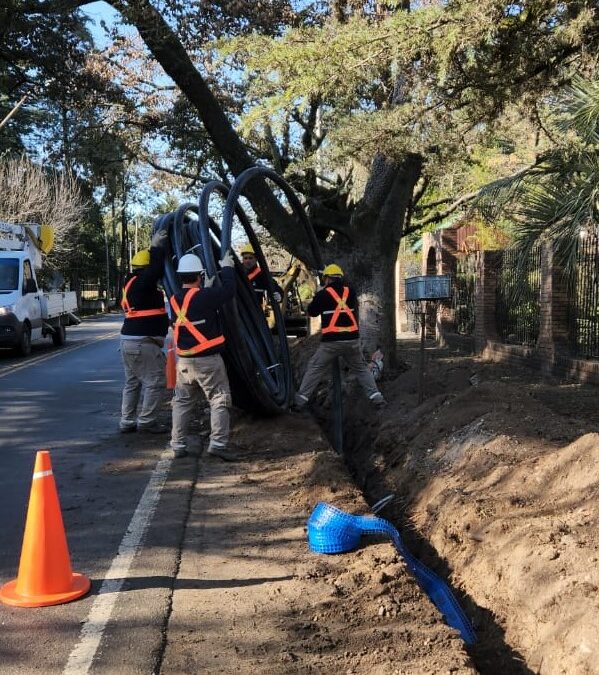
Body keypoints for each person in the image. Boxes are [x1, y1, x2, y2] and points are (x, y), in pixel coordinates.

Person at [169, 250, 236, 460]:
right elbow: (229, 291)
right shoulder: (205, 297)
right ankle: (217, 444)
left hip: (185, 363)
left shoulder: (174, 300)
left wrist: (204, 289)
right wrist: (227, 268)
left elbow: (194, 308)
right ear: (200, 275)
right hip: (208, 361)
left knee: (182, 402)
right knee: (219, 399)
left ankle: (178, 445)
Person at [294, 263, 387, 410]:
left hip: (331, 343)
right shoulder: (351, 292)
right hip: (352, 341)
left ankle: (299, 402)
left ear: (327, 279)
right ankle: (377, 398)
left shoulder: (322, 294)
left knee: (315, 368)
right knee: (362, 369)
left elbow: (311, 312)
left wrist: (319, 293)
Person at [119, 229, 169, 433]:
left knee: (133, 383)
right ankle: (147, 422)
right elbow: (156, 270)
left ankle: (127, 421)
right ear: (145, 268)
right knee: (155, 381)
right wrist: (156, 247)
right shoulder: (142, 281)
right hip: (143, 343)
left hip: (130, 342)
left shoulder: (131, 283)